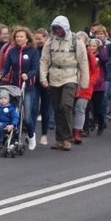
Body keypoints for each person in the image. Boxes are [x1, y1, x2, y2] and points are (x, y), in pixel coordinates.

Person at [39, 15, 89, 151]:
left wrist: (85, 82)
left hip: (70, 77)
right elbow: (44, 60)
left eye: (60, 28)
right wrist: (43, 78)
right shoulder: (50, 41)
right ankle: (59, 139)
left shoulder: (75, 41)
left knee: (66, 105)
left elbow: (83, 62)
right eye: (55, 29)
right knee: (57, 108)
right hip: (54, 77)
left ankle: (67, 138)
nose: (58, 31)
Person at [0, 26, 40, 150]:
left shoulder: (33, 52)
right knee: (15, 114)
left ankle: (31, 136)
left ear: (27, 38)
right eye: (17, 36)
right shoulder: (12, 51)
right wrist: (1, 73)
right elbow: (6, 67)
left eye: (21, 36)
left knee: (27, 118)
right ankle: (14, 139)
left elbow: (36, 69)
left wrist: (28, 75)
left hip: (28, 87)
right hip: (14, 87)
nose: (19, 38)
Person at [70, 32, 99, 144]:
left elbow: (96, 72)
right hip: (71, 85)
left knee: (80, 109)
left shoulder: (89, 55)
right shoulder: (71, 54)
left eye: (82, 41)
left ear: (86, 43)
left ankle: (78, 132)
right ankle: (69, 131)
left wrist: (89, 83)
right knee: (69, 109)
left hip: (85, 87)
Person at [31, 28, 53, 145]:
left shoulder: (50, 50)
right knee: (33, 109)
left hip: (47, 83)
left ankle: (44, 135)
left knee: (45, 110)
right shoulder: (33, 50)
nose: (38, 41)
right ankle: (32, 134)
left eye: (40, 39)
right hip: (35, 82)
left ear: (46, 37)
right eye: (36, 39)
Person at [88, 37, 108, 135]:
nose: (92, 47)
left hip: (99, 85)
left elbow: (105, 58)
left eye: (94, 46)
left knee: (97, 107)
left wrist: (101, 47)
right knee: (90, 107)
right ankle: (93, 123)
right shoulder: (87, 55)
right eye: (90, 45)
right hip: (88, 84)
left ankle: (101, 123)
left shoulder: (100, 56)